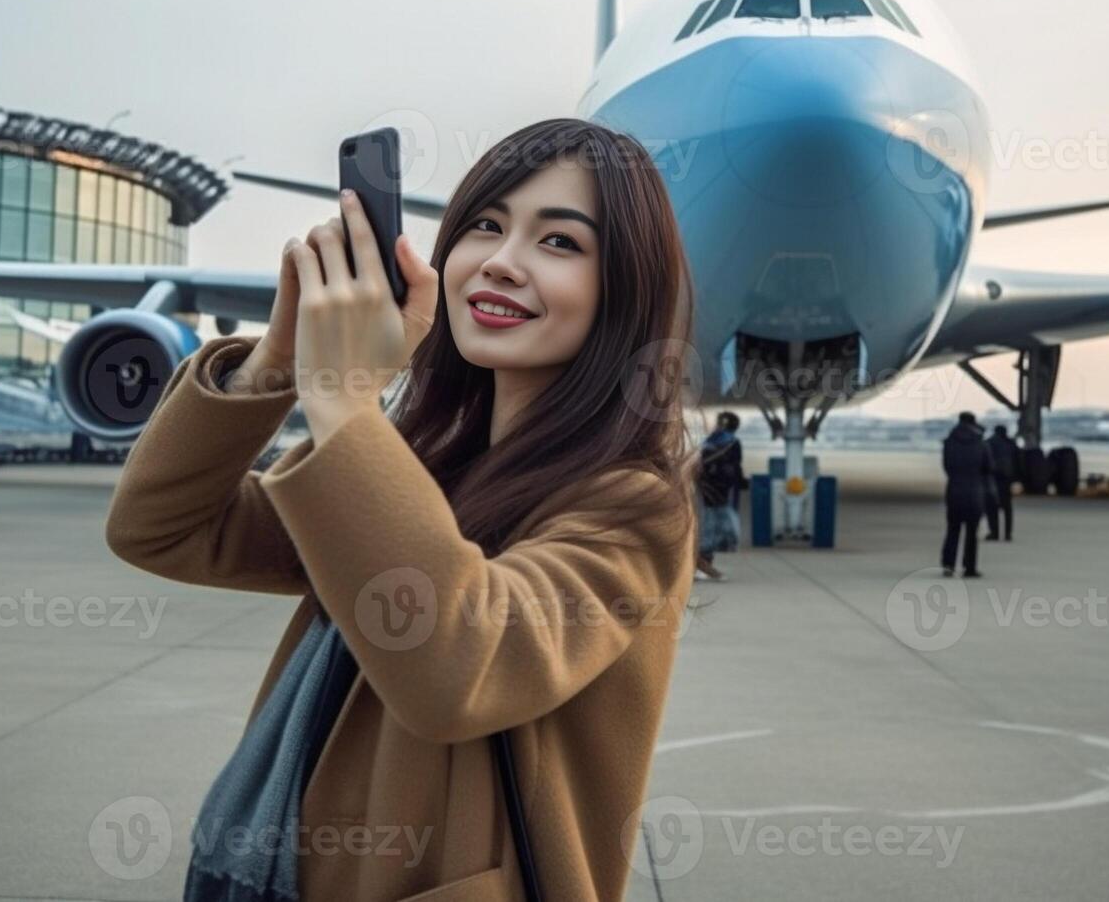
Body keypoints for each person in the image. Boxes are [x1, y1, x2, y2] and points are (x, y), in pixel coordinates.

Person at [104, 120, 699, 902]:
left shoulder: (632, 507)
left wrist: (342, 397)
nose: (500, 262)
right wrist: (278, 362)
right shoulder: (420, 474)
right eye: (484, 226)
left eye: (558, 244)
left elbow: (456, 667)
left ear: (621, 291)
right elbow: (161, 527)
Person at [696, 410, 747, 582]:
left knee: (712, 525)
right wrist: (741, 482)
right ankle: (702, 565)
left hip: (708, 488)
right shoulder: (732, 442)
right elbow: (736, 466)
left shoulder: (710, 442)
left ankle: (703, 564)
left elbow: (701, 464)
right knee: (717, 527)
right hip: (721, 490)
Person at [940, 411, 993, 577]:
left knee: (952, 530)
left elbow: (947, 466)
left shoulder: (949, 442)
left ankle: (948, 565)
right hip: (974, 492)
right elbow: (989, 467)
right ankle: (969, 567)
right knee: (972, 533)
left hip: (954, 491)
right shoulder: (981, 443)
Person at [984, 424, 1017, 541]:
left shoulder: (988, 443)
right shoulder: (1011, 443)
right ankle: (1007, 534)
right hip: (1007, 479)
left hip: (993, 478)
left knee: (992, 508)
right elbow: (1018, 461)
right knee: (1007, 508)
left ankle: (994, 533)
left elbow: (984, 462)